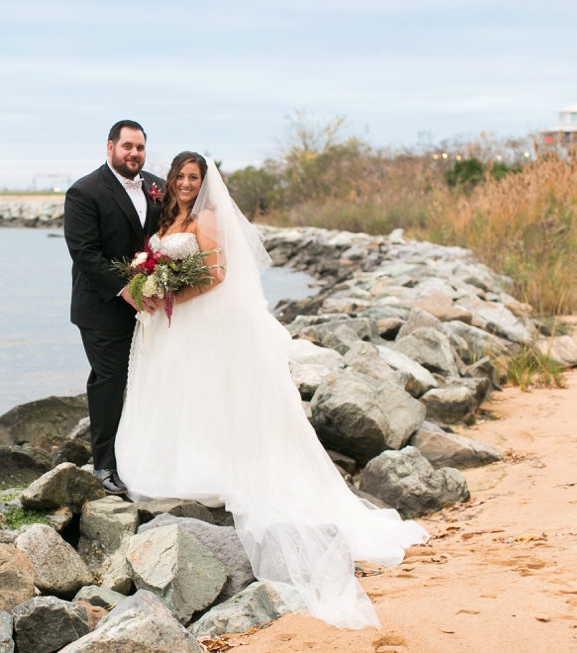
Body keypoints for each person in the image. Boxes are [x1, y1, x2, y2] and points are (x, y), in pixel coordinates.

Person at [114, 151, 430, 629]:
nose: (184, 183)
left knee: (203, 395)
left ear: (204, 182)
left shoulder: (210, 216)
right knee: (181, 396)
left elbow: (217, 275)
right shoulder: (170, 217)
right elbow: (166, 263)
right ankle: (178, 463)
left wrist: (170, 293)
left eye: (192, 177)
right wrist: (149, 286)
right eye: (179, 175)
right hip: (174, 327)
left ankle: (211, 468)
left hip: (199, 321)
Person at [64, 120, 165, 495]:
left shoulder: (157, 186)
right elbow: (84, 254)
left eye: (139, 147)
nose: (134, 154)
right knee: (110, 381)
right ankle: (104, 466)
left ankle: (143, 455)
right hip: (102, 306)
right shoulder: (84, 192)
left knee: (149, 377)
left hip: (152, 302)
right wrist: (125, 289)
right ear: (110, 148)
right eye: (127, 147)